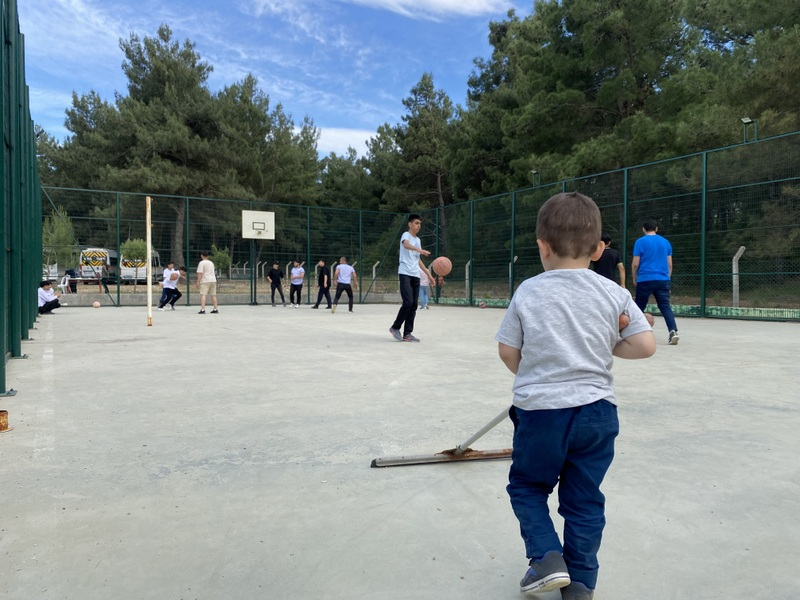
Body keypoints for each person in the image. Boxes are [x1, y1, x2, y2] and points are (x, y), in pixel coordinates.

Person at [495, 192, 655, 600]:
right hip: (598, 413)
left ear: (542, 247)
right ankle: (581, 584)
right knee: (584, 499)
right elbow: (645, 345)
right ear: (600, 249)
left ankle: (547, 557)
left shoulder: (528, 291)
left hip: (542, 414)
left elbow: (508, 352)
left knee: (528, 486)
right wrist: (608, 345)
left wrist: (532, 374)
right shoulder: (613, 293)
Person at [632, 219, 679, 345]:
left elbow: (636, 263)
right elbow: (669, 264)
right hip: (663, 279)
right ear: (656, 229)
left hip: (645, 278)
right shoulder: (666, 242)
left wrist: (634, 277)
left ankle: (633, 334)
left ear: (643, 229)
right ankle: (673, 331)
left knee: (638, 308)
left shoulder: (640, 242)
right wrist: (667, 279)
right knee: (665, 307)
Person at [389, 214, 434, 342]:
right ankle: (395, 327)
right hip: (405, 273)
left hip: (415, 275)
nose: (418, 225)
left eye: (420, 224)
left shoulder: (418, 240)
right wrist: (419, 250)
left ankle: (407, 333)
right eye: (416, 223)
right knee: (408, 302)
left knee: (414, 305)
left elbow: (418, 260)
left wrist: (429, 275)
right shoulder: (406, 235)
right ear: (410, 224)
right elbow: (406, 245)